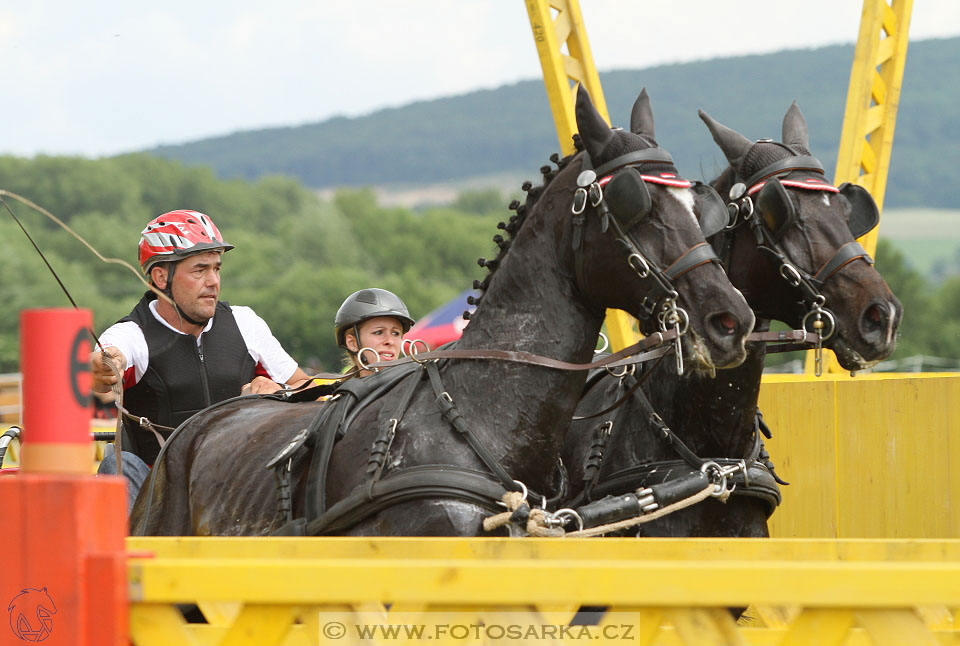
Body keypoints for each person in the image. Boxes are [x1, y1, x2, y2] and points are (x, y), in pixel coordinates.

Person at [90, 209, 310, 510]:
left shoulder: (246, 323)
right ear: (161, 277)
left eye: (217, 269)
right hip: (162, 496)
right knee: (117, 465)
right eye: (200, 270)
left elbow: (307, 387)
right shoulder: (131, 334)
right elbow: (103, 364)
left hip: (242, 483)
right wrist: (102, 366)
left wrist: (280, 393)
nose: (213, 281)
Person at [334, 288, 415, 378]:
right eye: (378, 332)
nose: (390, 341)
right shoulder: (337, 391)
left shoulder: (420, 387)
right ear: (352, 343)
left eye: (395, 333)